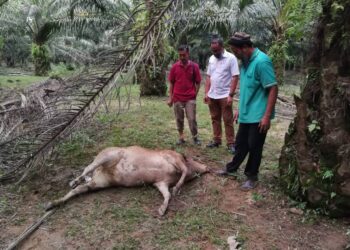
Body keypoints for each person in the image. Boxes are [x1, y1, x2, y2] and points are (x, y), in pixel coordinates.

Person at [217, 32, 278, 191]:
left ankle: (252, 176)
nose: (235, 55)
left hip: (259, 115)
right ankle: (231, 168)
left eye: (235, 51)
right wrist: (239, 109)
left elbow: (272, 88)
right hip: (246, 113)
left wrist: (266, 116)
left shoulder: (262, 62)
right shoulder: (245, 62)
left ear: (244, 47)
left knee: (254, 145)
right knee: (241, 144)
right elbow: (247, 89)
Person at [204, 37, 239, 154]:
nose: (214, 53)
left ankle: (231, 143)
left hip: (225, 95)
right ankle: (217, 140)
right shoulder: (211, 59)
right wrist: (206, 93)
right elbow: (208, 76)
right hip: (212, 94)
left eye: (216, 50)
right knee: (215, 119)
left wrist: (230, 95)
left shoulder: (231, 58)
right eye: (213, 50)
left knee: (228, 120)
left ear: (222, 47)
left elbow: (235, 77)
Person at [168, 45, 202, 145]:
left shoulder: (194, 66)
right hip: (177, 97)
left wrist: (194, 94)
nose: (182, 57)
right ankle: (181, 137)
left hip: (190, 98)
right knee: (179, 118)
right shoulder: (174, 67)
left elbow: (198, 82)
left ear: (188, 54)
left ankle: (195, 137)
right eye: (180, 55)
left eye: (184, 55)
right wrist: (171, 98)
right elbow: (172, 83)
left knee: (191, 118)